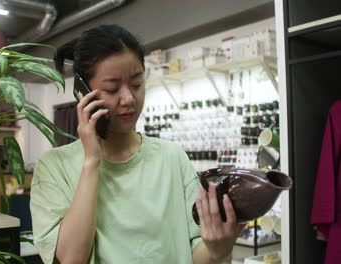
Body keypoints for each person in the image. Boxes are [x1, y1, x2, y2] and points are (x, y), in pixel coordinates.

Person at [30, 24, 244, 264]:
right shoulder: (54, 167)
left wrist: (217, 249)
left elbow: (195, 253)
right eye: (112, 88)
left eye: (137, 84)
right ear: (83, 92)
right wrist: (92, 161)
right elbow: (71, 259)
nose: (129, 99)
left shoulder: (171, 156)